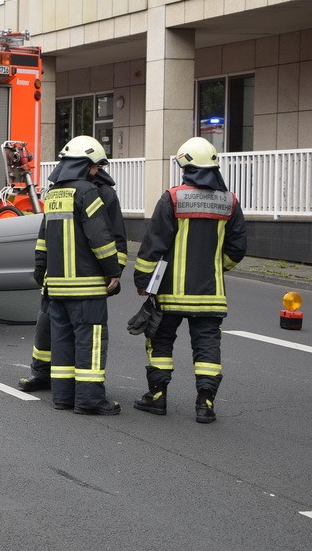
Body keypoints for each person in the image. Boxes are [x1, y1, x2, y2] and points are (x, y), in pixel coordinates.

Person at [132, 136, 247, 423]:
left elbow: (153, 244)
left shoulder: (172, 197)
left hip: (170, 292)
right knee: (207, 346)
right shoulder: (229, 201)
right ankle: (205, 403)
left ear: (186, 166)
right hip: (210, 294)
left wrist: (143, 278)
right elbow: (237, 248)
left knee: (160, 340)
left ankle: (157, 397)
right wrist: (217, 268)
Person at [34, 135, 123, 415]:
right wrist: (113, 271)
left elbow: (43, 240)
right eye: (95, 167)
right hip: (86, 289)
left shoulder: (53, 195)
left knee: (62, 343)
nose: (98, 172)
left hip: (57, 288)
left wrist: (41, 271)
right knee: (90, 342)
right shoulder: (88, 193)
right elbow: (101, 238)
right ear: (86, 165)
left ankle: (63, 397)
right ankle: (90, 401)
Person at [19, 163, 128, 392]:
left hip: (85, 280)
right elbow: (45, 232)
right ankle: (43, 374)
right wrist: (41, 265)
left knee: (75, 337)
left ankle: (73, 389)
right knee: (47, 329)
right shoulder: (59, 191)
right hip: (56, 280)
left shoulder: (104, 194)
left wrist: (114, 270)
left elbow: (113, 236)